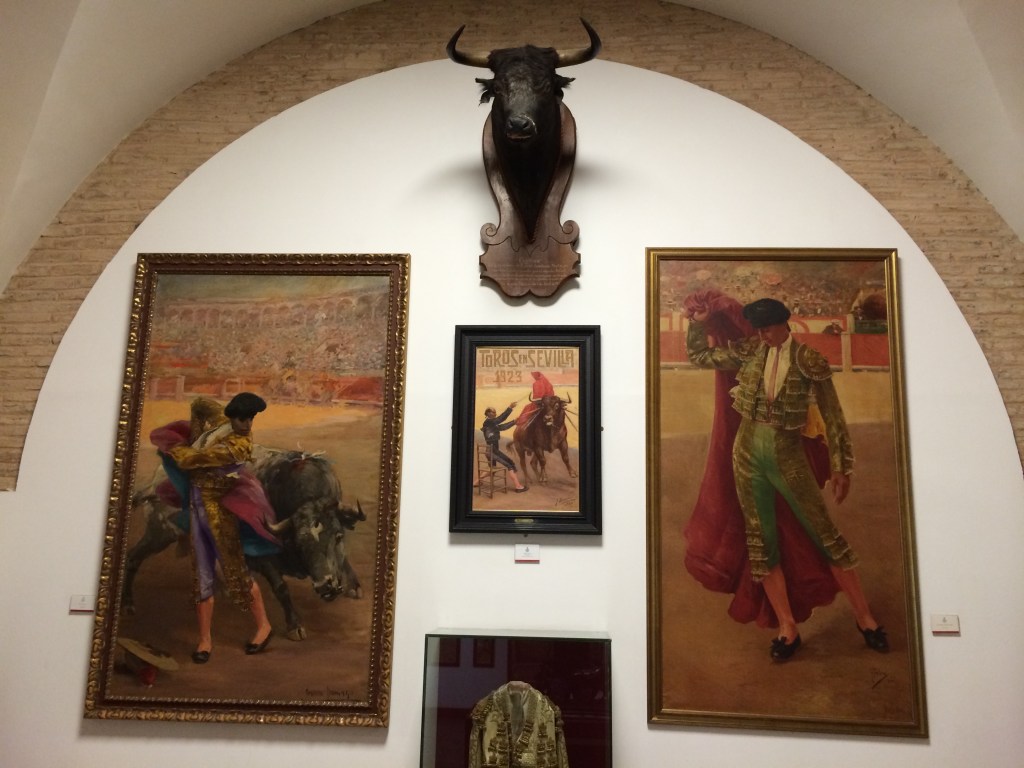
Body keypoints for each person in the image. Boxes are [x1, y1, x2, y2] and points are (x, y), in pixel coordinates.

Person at [685, 296, 888, 661]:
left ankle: (865, 619)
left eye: (767, 328)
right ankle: (787, 627)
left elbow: (833, 414)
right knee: (761, 541)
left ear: (784, 324)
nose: (762, 335)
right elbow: (700, 357)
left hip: (787, 453)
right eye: (758, 329)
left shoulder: (809, 360)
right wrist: (697, 323)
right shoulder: (751, 351)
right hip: (746, 452)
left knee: (826, 534)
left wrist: (842, 466)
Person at [152, 392, 277, 663]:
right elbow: (199, 403)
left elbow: (188, 460)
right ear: (231, 416)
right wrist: (196, 433)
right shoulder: (222, 422)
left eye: (251, 419)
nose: (247, 424)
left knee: (236, 571)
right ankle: (205, 640)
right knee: (202, 574)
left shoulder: (239, 446)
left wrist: (178, 445)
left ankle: (264, 626)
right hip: (198, 509)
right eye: (243, 419)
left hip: (220, 513)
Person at [480, 402, 528, 492]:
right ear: (488, 413)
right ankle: (518, 486)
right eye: (493, 412)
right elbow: (501, 419)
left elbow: (502, 427)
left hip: (491, 451)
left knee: (492, 468)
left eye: (495, 412)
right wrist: (510, 408)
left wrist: (514, 422)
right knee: (510, 464)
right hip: (493, 451)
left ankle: (476, 482)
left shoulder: (491, 424)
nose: (495, 413)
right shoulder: (489, 422)